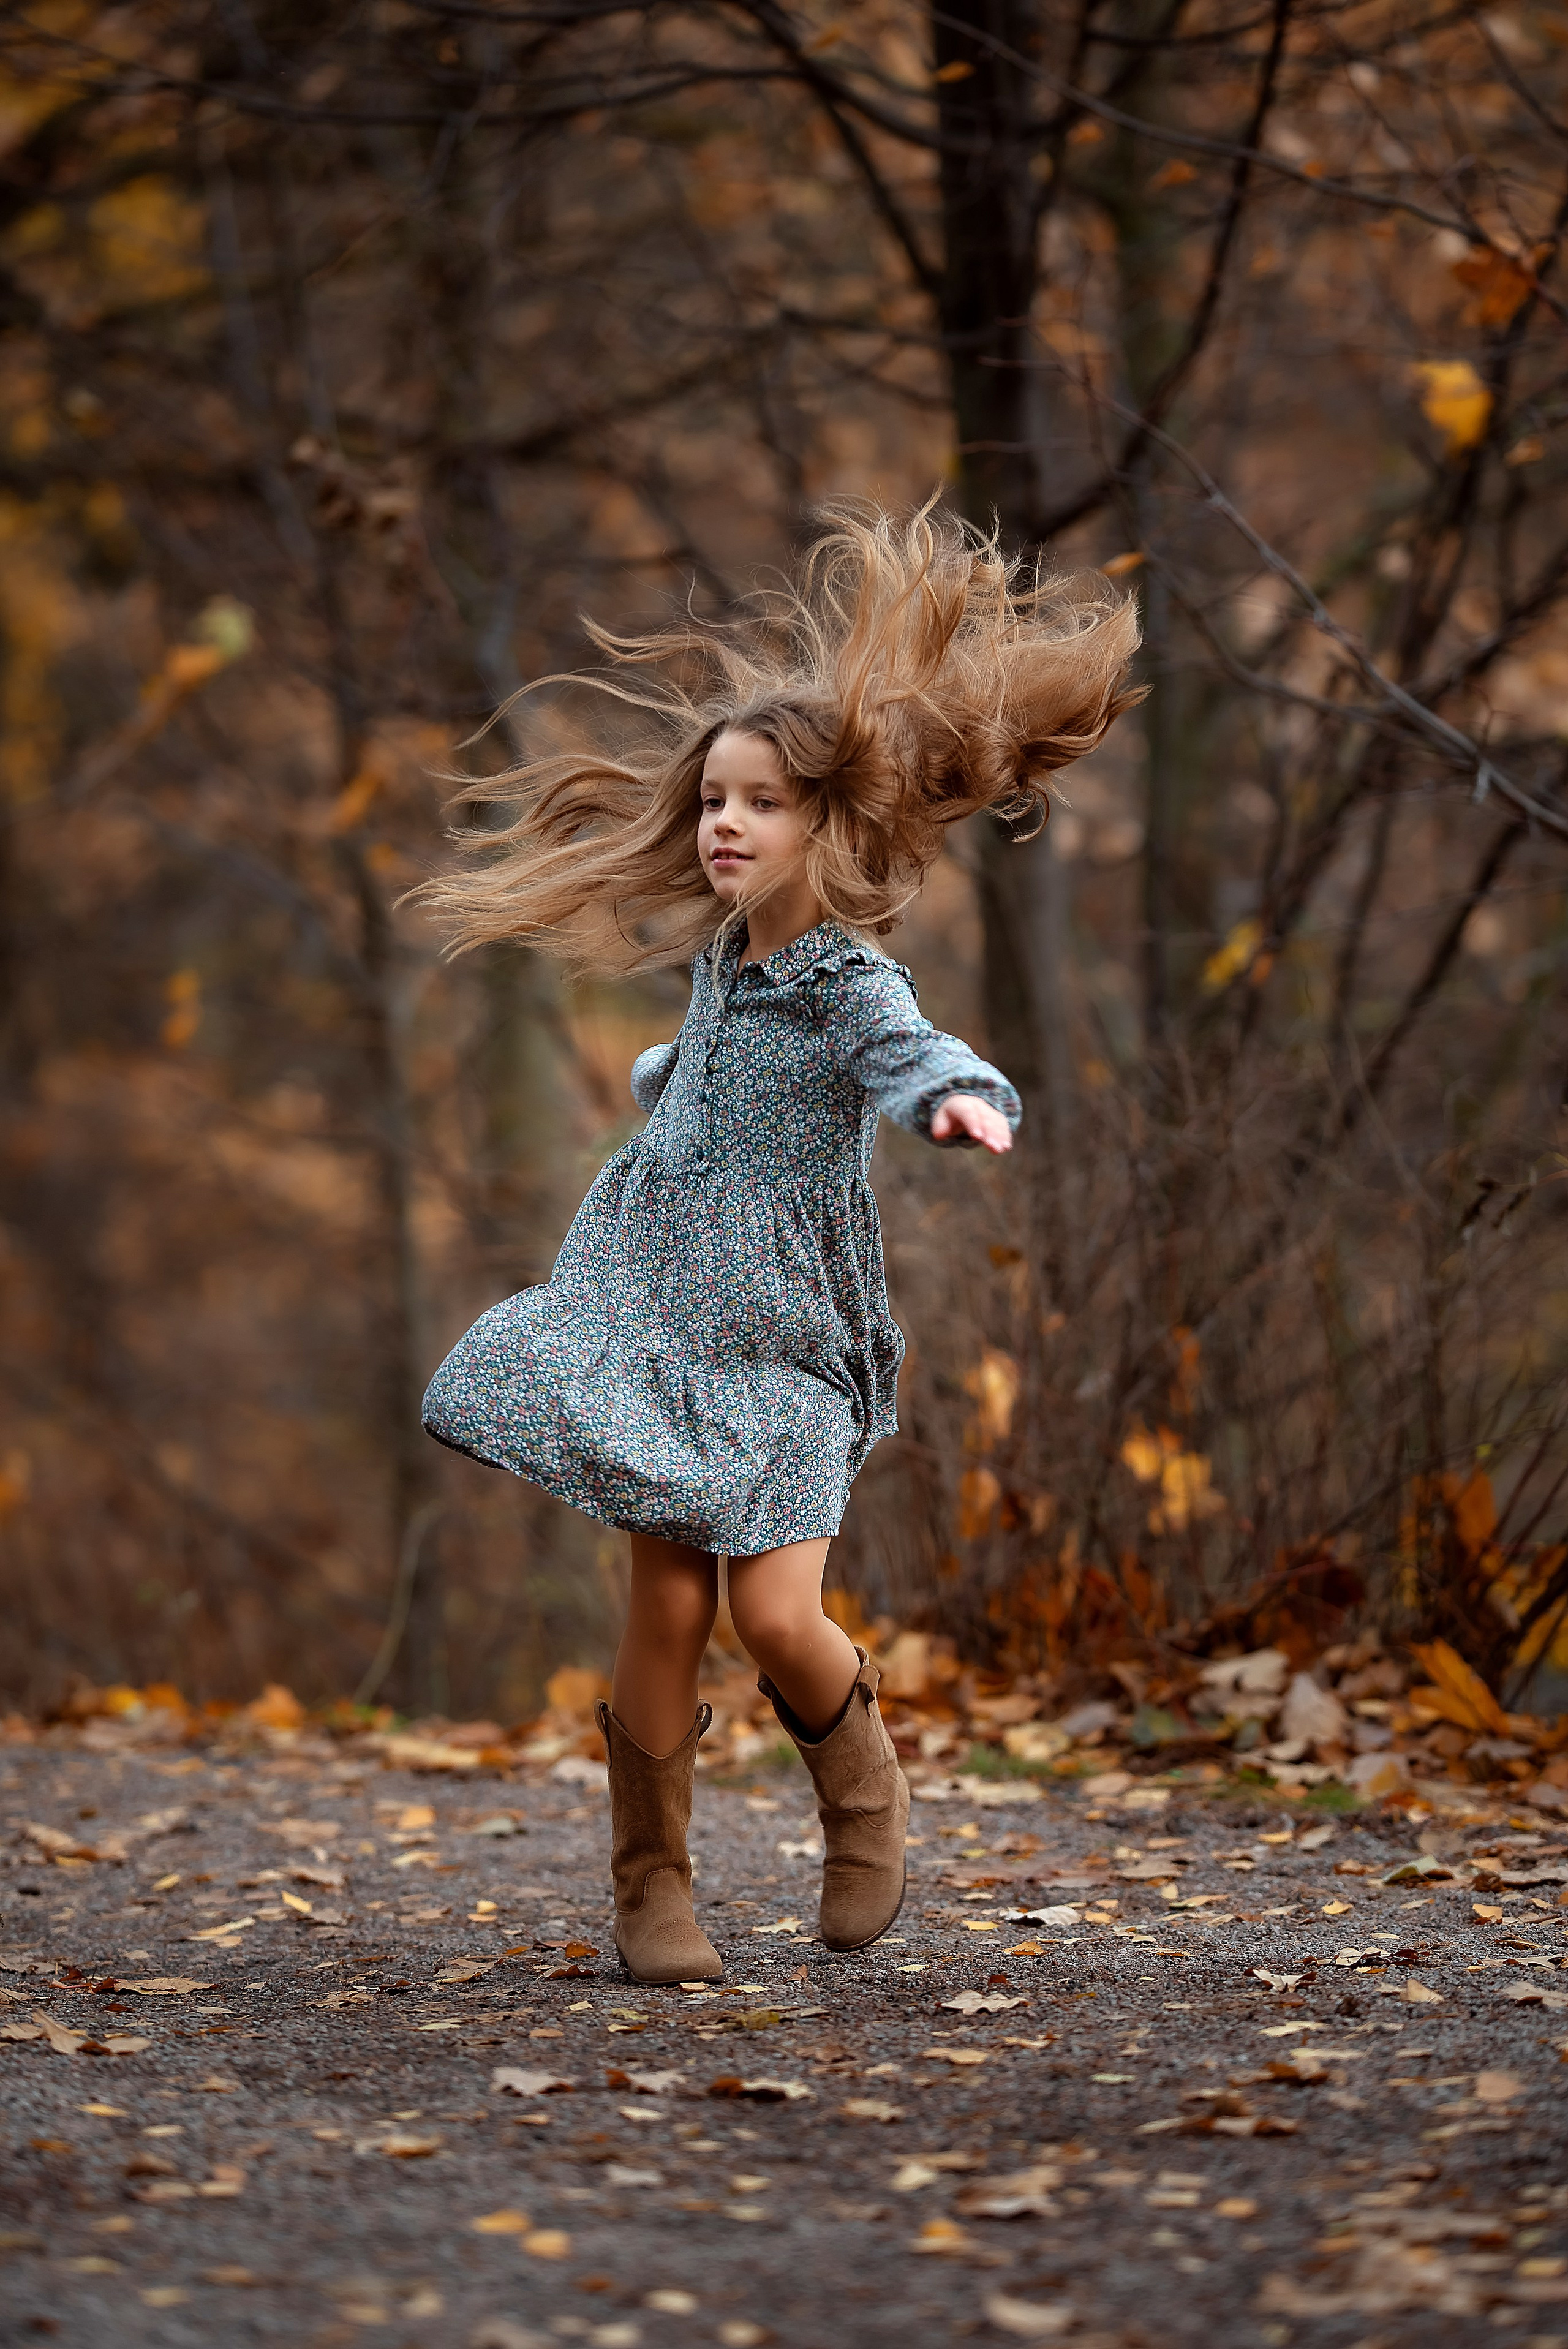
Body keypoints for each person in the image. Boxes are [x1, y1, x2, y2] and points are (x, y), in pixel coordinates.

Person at [414, 502, 1140, 1984]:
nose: (724, 824)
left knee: (773, 1611)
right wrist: (661, 1085)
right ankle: (652, 1887)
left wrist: (955, 1103)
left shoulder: (844, 980)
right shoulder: (717, 964)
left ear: (825, 822)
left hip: (791, 1342)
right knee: (669, 1602)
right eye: (711, 802)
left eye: (759, 803)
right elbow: (699, 1076)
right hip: (659, 1320)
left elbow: (911, 1050)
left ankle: (861, 1793)